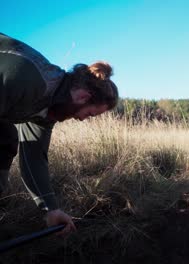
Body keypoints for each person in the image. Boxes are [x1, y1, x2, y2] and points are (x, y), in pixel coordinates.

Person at [0, 33, 119, 236]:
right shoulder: (28, 80)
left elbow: (34, 159)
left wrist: (50, 210)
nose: (82, 120)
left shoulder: (48, 108)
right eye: (89, 114)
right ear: (83, 96)